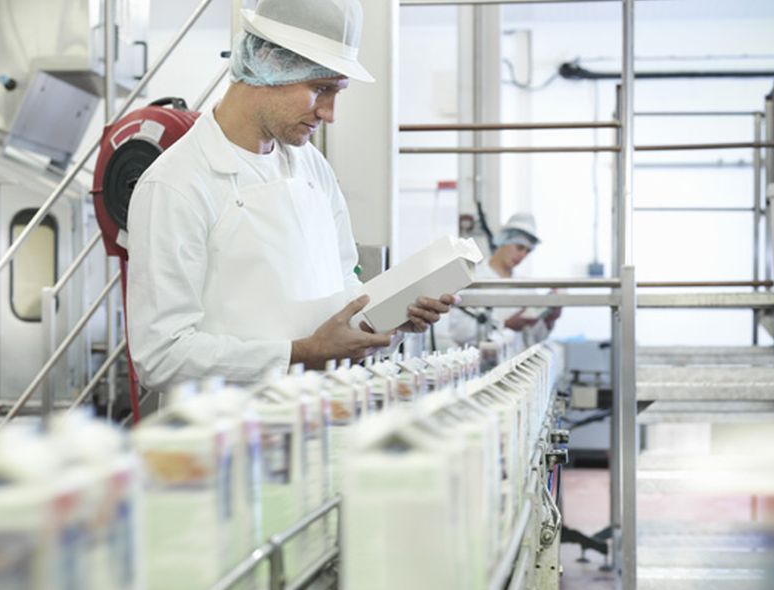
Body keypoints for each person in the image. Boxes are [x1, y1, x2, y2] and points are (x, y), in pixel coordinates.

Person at [126, 0, 455, 390]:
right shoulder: (176, 184)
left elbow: (345, 295)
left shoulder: (312, 168)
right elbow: (161, 357)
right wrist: (299, 354)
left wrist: (384, 321)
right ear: (268, 64)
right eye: (321, 89)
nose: (330, 113)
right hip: (228, 440)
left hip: (317, 422)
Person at [443, 213, 561, 348]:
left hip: (517, 365)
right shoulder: (474, 279)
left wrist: (549, 320)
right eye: (519, 247)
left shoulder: (526, 286)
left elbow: (534, 339)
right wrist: (505, 325)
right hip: (481, 364)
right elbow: (458, 332)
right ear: (504, 241)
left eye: (528, 251)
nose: (522, 255)